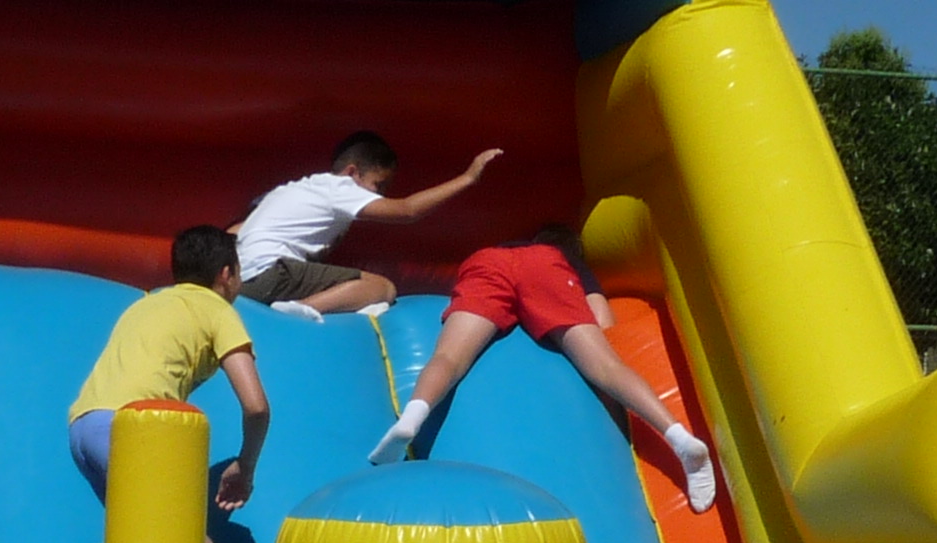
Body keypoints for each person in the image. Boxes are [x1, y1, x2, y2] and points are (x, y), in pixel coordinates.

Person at [69, 226, 274, 543]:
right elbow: (256, 405)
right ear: (226, 275)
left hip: (85, 427)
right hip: (139, 430)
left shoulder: (147, 304)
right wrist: (246, 467)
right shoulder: (216, 308)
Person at [367, 226, 719, 515]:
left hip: (487, 262)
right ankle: (679, 439)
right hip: (545, 268)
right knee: (605, 365)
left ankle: (411, 418)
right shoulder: (564, 260)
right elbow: (605, 322)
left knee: (448, 357)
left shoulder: (502, 248)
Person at [232, 132, 504, 326]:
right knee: (382, 288)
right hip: (269, 273)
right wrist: (468, 178)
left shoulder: (293, 190)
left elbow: (237, 231)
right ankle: (300, 310)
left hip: (242, 281)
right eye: (378, 184)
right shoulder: (339, 187)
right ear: (352, 172)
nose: (379, 194)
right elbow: (407, 210)